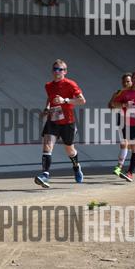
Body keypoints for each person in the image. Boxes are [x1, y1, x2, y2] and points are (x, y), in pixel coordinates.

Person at [34, 60, 86, 188]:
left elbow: (82, 100)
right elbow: (50, 98)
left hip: (67, 122)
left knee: (70, 150)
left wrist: (65, 100)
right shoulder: (48, 85)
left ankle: (76, 167)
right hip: (53, 120)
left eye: (60, 69)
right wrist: (47, 108)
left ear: (65, 71)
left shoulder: (70, 84)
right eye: (55, 69)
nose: (57, 71)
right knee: (47, 146)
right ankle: (45, 174)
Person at [108, 73, 133, 176]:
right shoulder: (119, 93)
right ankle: (119, 167)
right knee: (124, 143)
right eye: (124, 82)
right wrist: (121, 105)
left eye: (128, 81)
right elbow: (110, 105)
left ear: (132, 82)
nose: (125, 83)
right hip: (122, 120)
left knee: (133, 144)